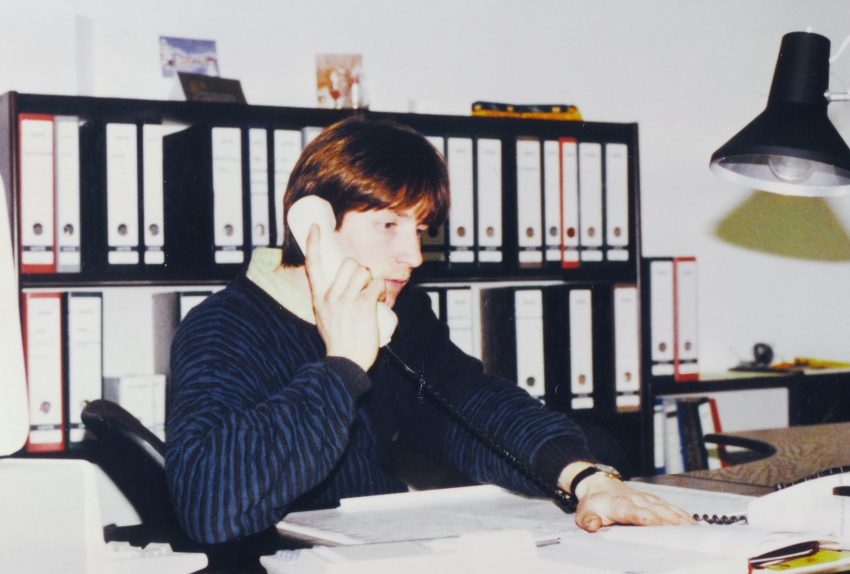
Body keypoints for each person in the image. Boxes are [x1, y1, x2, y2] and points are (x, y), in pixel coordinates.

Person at [166, 115, 693, 544]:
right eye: (389, 224)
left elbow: (470, 406)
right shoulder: (223, 327)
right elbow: (210, 505)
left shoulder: (399, 315)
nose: (413, 255)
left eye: (419, 229)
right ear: (316, 228)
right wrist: (344, 364)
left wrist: (583, 478)